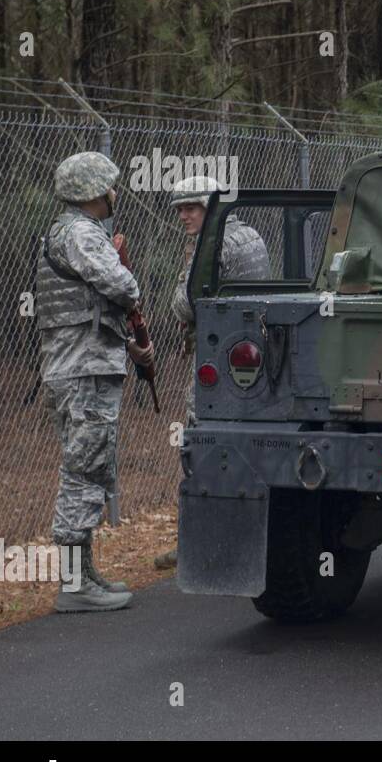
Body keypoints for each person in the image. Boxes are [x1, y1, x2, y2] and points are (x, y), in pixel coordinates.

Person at [37, 152, 155, 612]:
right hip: (83, 370)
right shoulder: (82, 234)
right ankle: (72, 586)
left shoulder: (67, 232)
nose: (114, 193)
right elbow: (123, 286)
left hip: (80, 367)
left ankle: (84, 574)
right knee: (82, 472)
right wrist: (127, 274)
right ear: (94, 191)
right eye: (109, 185)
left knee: (90, 467)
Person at [157, 175, 269, 570]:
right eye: (180, 209)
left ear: (211, 207)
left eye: (191, 207)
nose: (184, 216)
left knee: (197, 444)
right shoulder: (251, 235)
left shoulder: (211, 243)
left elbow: (184, 306)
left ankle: (198, 541)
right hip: (253, 359)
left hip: (217, 363)